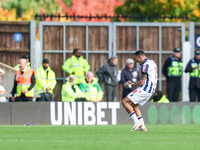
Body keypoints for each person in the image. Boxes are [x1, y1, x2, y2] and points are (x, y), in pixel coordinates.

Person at [122, 50, 157, 131]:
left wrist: (130, 85)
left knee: (124, 101)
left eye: (136, 58)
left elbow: (142, 82)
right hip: (151, 89)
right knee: (133, 105)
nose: (135, 61)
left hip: (145, 88)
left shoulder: (145, 65)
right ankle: (143, 127)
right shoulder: (152, 62)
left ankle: (137, 122)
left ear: (140, 57)